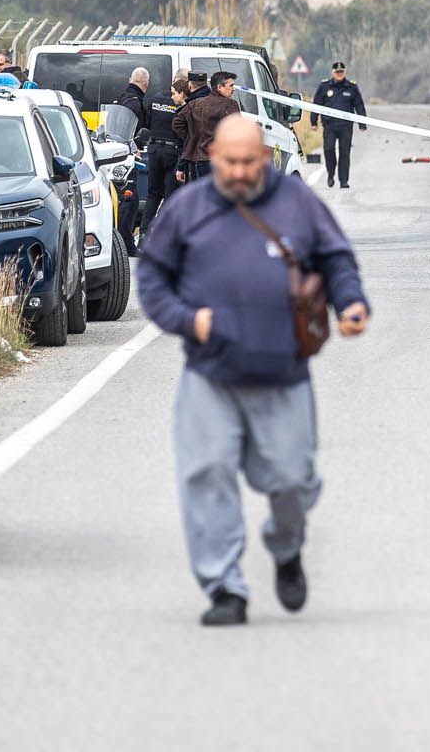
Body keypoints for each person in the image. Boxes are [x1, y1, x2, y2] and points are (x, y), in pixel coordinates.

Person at [135, 113, 369, 626]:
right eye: (229, 162)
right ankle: (225, 588)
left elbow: (336, 259)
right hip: (210, 373)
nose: (239, 172)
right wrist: (184, 320)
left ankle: (286, 547)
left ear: (265, 158)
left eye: (248, 162)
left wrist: (350, 304)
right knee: (206, 474)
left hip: (283, 373)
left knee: (293, 480)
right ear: (213, 157)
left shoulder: (296, 202)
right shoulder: (187, 208)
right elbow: (151, 275)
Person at [137, 76, 190, 243]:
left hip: (154, 149)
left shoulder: (156, 99)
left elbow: (148, 122)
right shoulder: (184, 107)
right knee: (169, 195)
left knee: (153, 194)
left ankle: (144, 234)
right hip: (172, 151)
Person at [309, 61, 368, 190]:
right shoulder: (324, 86)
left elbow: (359, 105)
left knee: (344, 152)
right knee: (329, 150)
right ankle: (331, 173)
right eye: (337, 72)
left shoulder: (351, 87)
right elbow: (316, 104)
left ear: (344, 72)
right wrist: (313, 122)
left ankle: (344, 180)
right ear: (333, 73)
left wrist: (362, 123)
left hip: (345, 126)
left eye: (341, 72)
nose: (339, 74)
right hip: (329, 125)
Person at [111, 67, 151, 245]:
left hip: (115, 152)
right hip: (128, 155)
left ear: (129, 80)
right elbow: (133, 131)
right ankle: (125, 242)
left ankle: (122, 240)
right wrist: (134, 147)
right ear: (146, 85)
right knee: (130, 200)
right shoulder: (135, 104)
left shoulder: (121, 98)